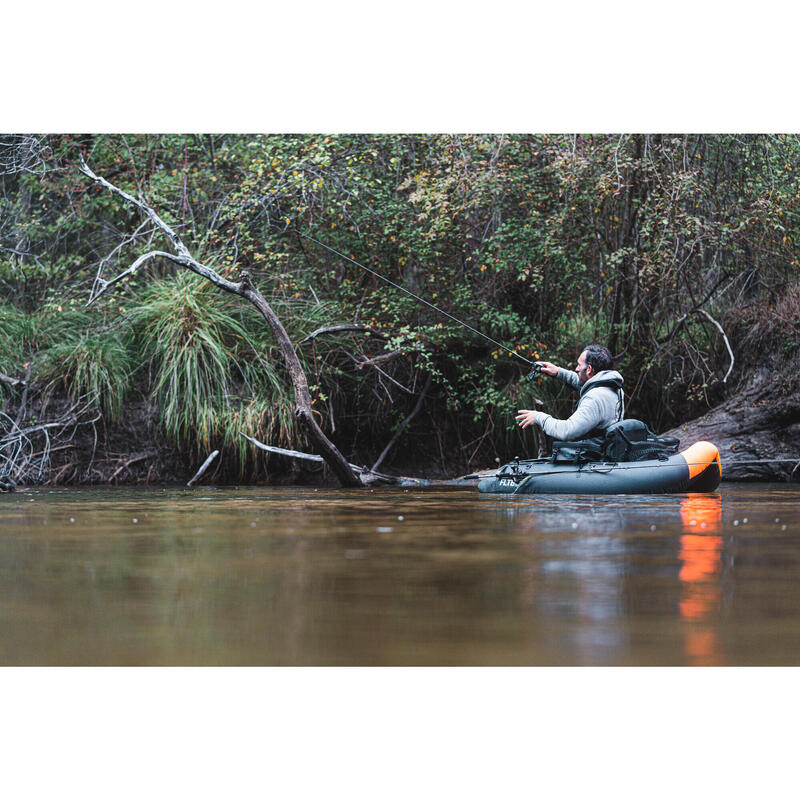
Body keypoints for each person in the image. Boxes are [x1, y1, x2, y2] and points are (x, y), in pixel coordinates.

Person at [516, 344, 624, 441]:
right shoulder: (612, 386)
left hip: (594, 458)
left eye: (579, 365)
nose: (576, 369)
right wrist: (557, 372)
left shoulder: (594, 398)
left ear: (589, 369)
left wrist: (539, 417)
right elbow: (584, 382)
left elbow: (567, 431)